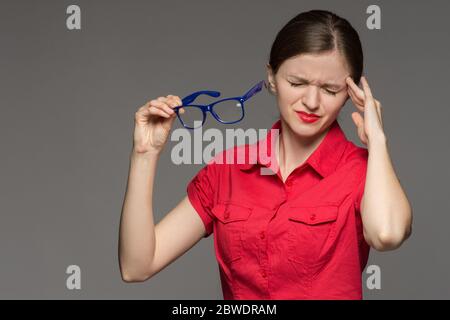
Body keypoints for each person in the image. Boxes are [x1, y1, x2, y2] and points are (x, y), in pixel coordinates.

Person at [118, 9, 412, 299]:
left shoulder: (361, 171)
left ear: (351, 94)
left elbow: (387, 234)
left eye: (330, 90)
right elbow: (136, 266)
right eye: (296, 83)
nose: (311, 101)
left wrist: (378, 140)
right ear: (271, 77)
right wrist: (145, 153)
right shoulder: (227, 170)